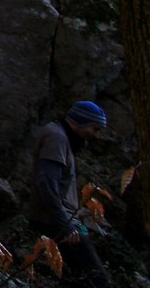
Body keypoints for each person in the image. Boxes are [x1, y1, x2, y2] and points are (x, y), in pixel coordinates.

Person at [28, 100, 113, 288]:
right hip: (54, 222)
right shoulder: (56, 137)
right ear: (81, 122)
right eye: (95, 128)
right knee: (98, 279)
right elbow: (47, 184)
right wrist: (65, 224)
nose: (97, 135)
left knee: (77, 278)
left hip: (63, 220)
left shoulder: (62, 137)